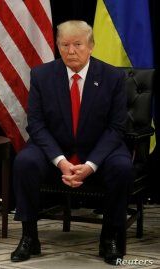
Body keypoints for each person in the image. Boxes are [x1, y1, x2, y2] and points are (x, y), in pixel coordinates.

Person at [10, 20, 132, 265]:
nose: (71, 51)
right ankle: (29, 236)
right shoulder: (42, 75)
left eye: (78, 44)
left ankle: (109, 237)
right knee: (25, 161)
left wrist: (91, 164)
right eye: (64, 45)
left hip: (99, 150)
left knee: (122, 167)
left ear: (91, 46)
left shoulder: (113, 77)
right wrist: (61, 161)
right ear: (57, 46)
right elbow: (36, 124)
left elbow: (116, 127)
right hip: (55, 150)